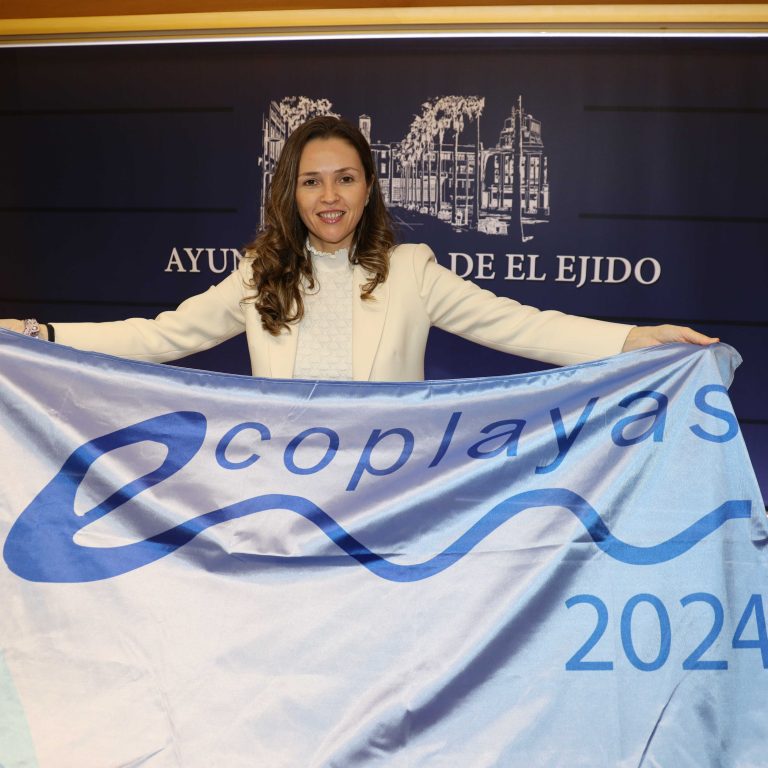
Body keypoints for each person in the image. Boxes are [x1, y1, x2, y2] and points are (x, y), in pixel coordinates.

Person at [0, 116, 716, 381]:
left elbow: (525, 325)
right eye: (311, 181)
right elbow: (160, 337)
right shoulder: (258, 275)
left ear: (370, 187)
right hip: (279, 494)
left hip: (388, 498)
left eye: (344, 178)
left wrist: (633, 341)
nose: (329, 196)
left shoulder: (413, 272)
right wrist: (42, 335)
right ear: (292, 192)